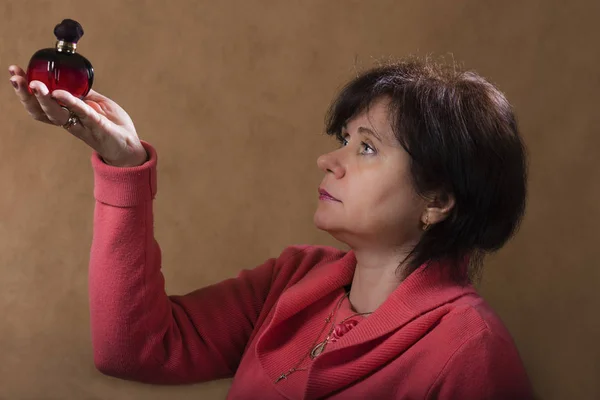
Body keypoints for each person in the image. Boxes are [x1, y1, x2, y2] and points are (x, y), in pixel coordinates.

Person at [8, 56, 533, 399]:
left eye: (367, 147)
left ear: (438, 200)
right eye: (344, 138)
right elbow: (134, 349)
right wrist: (123, 165)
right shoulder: (295, 280)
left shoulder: (471, 352)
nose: (330, 160)